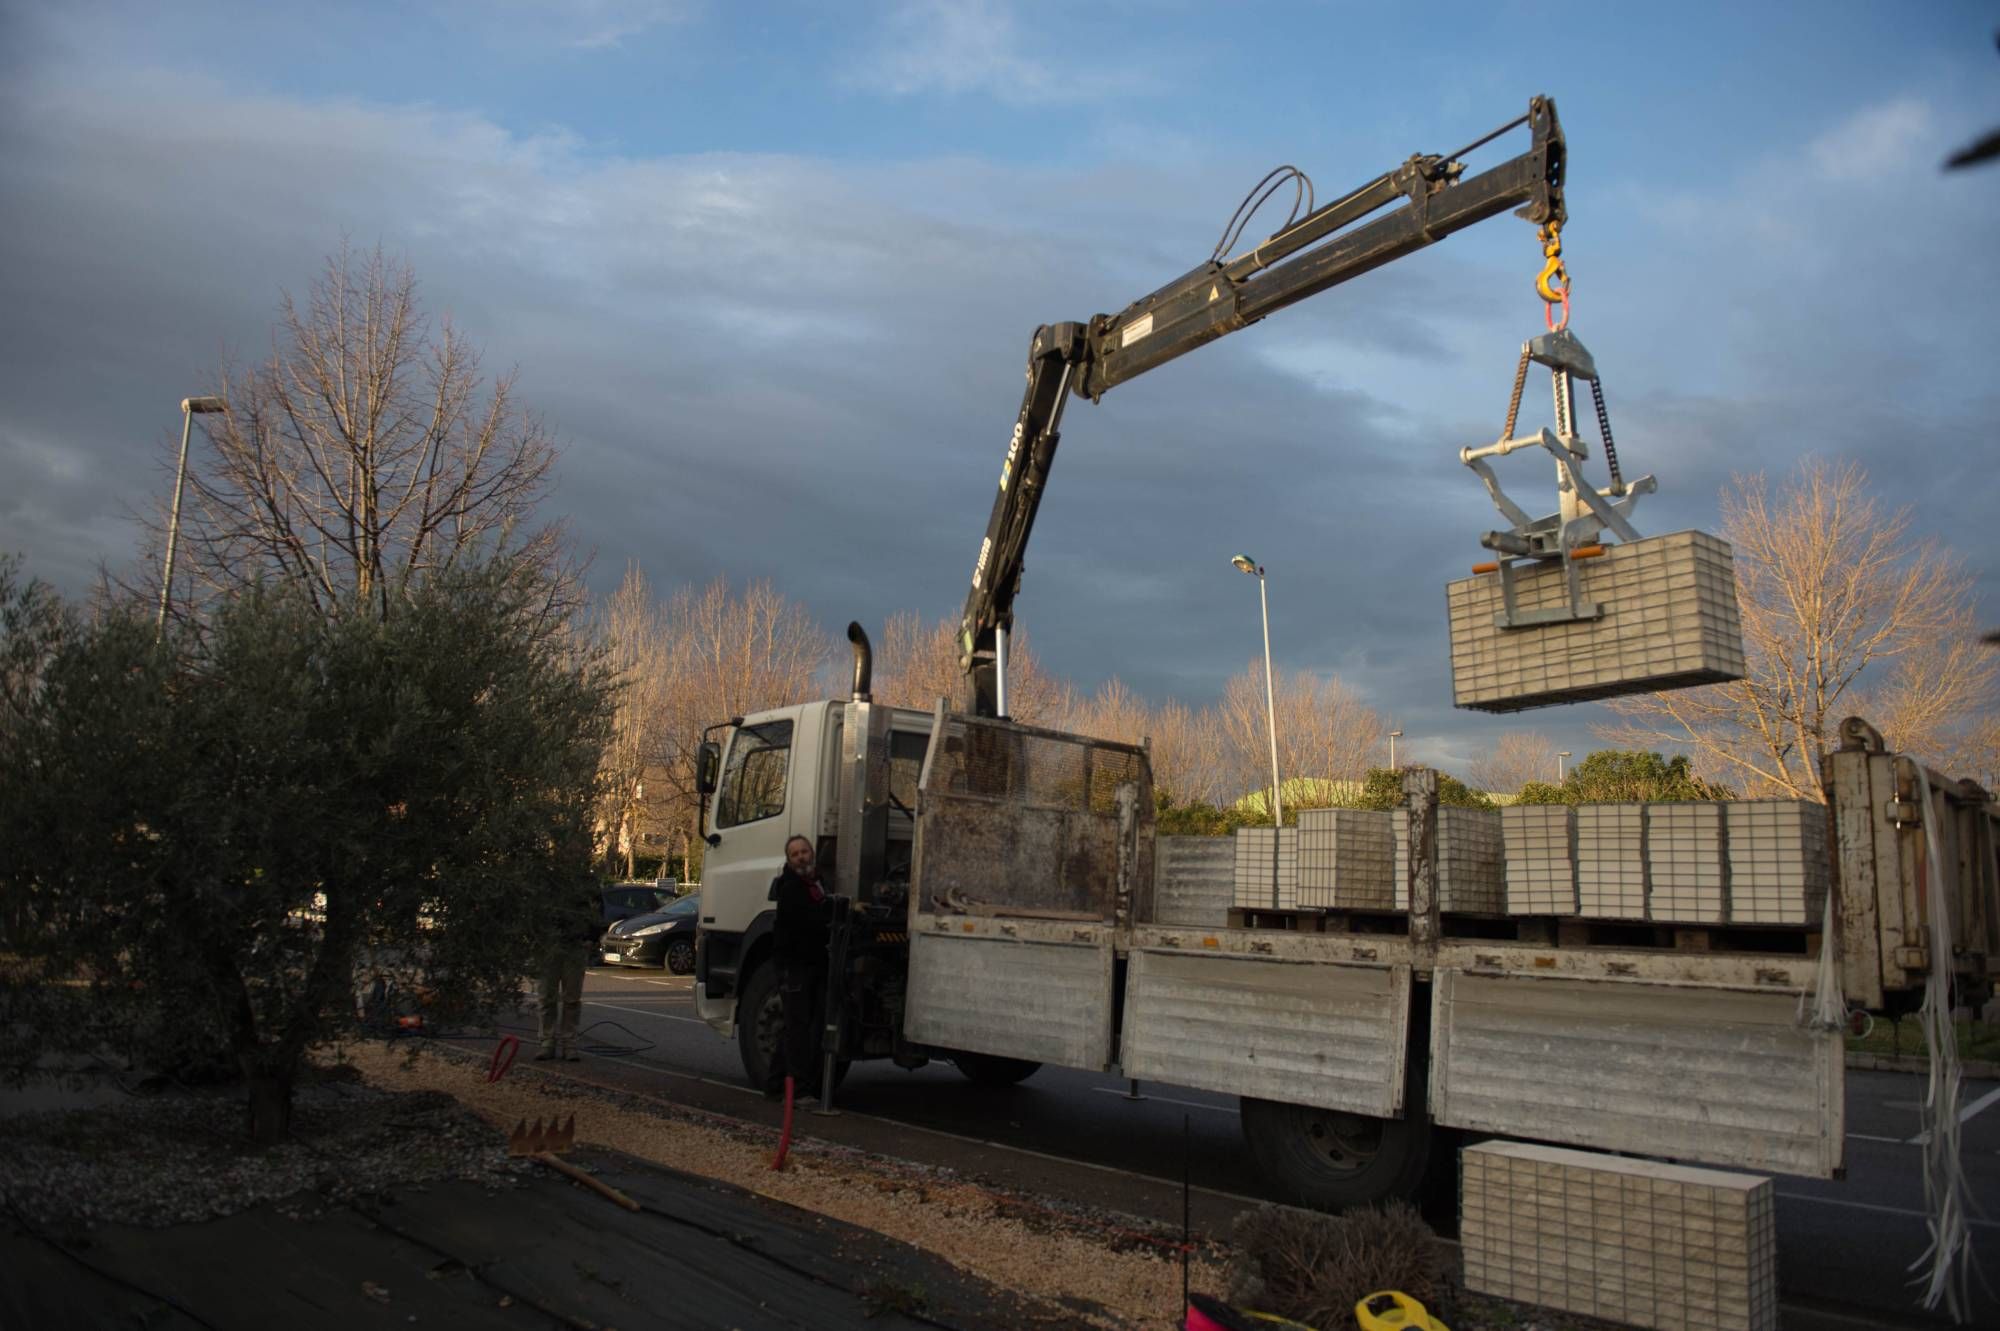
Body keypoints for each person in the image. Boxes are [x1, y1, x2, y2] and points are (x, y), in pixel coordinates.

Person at [770, 834, 834, 1097]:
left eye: (804, 852)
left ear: (812, 853)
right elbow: (801, 927)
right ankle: (796, 1089)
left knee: (801, 1027)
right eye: (795, 854)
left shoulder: (818, 883)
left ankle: (775, 1085)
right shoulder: (791, 889)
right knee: (797, 1030)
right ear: (789, 860)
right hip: (796, 968)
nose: (801, 857)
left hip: (814, 965)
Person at [537, 875, 601, 1061]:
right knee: (547, 996)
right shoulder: (548, 878)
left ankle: (569, 1043)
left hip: (575, 946)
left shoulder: (587, 880)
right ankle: (546, 1041)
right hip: (549, 944)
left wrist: (591, 938)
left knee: (572, 998)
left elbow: (597, 911)